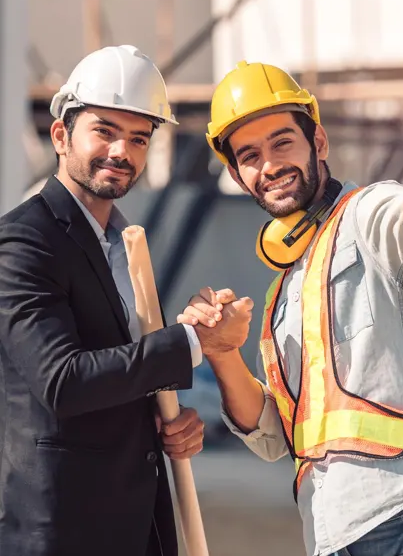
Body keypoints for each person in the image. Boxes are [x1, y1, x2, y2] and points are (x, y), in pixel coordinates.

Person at [179, 61, 403, 556]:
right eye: (250, 155)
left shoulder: (367, 213)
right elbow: (273, 437)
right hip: (331, 531)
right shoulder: (285, 292)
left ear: (318, 143)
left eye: (282, 142)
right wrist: (224, 354)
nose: (268, 164)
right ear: (235, 174)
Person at [0, 45, 248, 556]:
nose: (122, 151)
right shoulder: (24, 244)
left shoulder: (123, 245)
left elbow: (115, 380)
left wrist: (162, 426)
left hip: (131, 527)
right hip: (57, 531)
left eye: (138, 138)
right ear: (61, 135)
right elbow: (64, 382)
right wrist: (190, 343)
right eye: (105, 131)